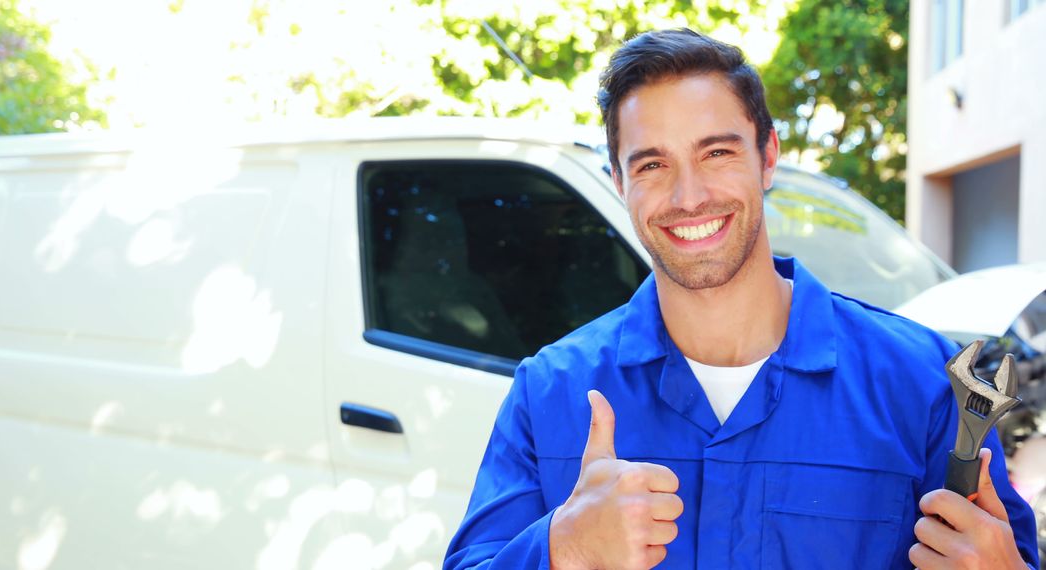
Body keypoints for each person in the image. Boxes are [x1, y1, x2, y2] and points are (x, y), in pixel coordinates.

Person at [444, 27, 1039, 569]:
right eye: (652, 164)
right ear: (620, 182)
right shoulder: (550, 393)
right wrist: (562, 548)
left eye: (717, 152)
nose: (689, 195)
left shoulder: (923, 386)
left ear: (768, 157)